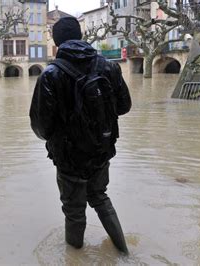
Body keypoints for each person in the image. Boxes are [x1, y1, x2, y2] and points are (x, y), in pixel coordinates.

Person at [29, 16, 132, 253]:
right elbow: (124, 106)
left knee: (74, 210)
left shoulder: (50, 74)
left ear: (56, 41)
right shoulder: (109, 66)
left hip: (69, 156)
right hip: (101, 149)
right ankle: (124, 252)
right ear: (81, 36)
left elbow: (41, 126)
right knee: (100, 197)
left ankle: (74, 257)